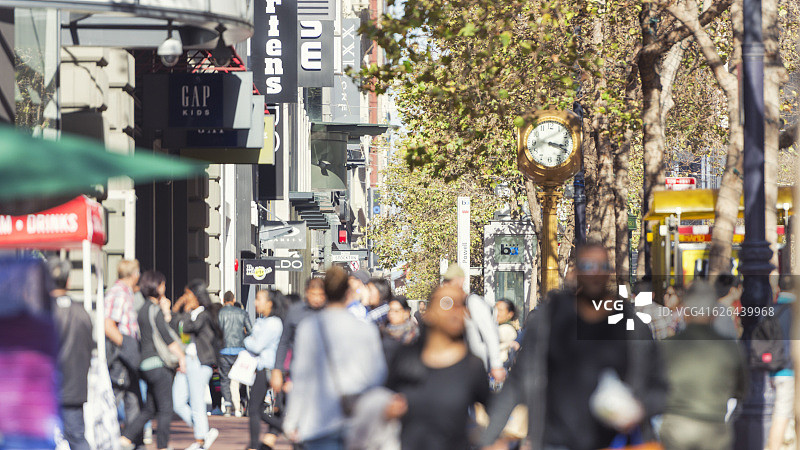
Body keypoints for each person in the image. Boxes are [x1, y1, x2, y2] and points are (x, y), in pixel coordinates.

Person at [481, 243, 667, 450]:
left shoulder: (629, 324)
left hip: (613, 443)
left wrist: (639, 409)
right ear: (577, 272)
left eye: (601, 266)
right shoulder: (550, 319)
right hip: (555, 441)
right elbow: (518, 381)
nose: (595, 274)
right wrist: (490, 439)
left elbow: (659, 385)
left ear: (609, 273)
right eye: (588, 267)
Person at [283, 266, 387, 450]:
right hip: (356, 421)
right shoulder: (365, 329)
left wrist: (291, 420)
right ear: (347, 293)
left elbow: (301, 376)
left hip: (317, 421)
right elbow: (378, 375)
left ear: (325, 293)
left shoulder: (309, 327)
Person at [384, 285, 490, 450]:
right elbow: (383, 399)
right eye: (447, 303)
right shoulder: (405, 358)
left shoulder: (472, 366)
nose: (456, 312)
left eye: (461, 305)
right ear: (429, 314)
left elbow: (494, 409)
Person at [659, 281, 748, 450]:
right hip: (714, 427)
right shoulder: (730, 348)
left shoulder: (666, 346)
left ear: (685, 311)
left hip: (676, 426)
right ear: (714, 313)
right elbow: (741, 389)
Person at [120, 271, 187, 450]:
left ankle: (125, 438)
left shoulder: (141, 309)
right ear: (156, 287)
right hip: (158, 364)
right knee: (166, 409)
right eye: (163, 285)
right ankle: (163, 446)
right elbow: (167, 336)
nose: (164, 288)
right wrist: (181, 357)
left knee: (150, 408)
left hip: (145, 364)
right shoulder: (154, 310)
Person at [47, 257, 94, 450]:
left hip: (46, 389)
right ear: (68, 281)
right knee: (77, 438)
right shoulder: (82, 312)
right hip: (74, 390)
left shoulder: (41, 311)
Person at [172, 280, 222, 450]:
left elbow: (187, 327)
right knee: (177, 401)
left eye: (188, 294)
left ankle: (200, 440)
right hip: (188, 361)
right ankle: (204, 432)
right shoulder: (192, 313)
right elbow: (177, 327)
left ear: (197, 295)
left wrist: (183, 311)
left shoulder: (204, 314)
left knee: (197, 402)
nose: (185, 298)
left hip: (200, 363)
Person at [442, 264, 505, 383]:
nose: (447, 284)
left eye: (450, 281)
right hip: (464, 369)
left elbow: (490, 333)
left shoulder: (473, 302)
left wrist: (496, 365)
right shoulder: (454, 304)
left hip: (481, 368)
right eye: (445, 281)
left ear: (461, 281)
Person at [104, 259, 142, 439]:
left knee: (133, 397)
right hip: (122, 352)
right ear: (134, 274)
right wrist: (126, 346)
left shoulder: (126, 292)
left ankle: (133, 439)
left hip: (127, 349)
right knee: (116, 395)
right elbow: (109, 325)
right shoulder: (119, 293)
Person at [245, 290, 287, 450]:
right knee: (256, 408)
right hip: (264, 367)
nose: (256, 303)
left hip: (269, 368)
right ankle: (255, 443)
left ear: (270, 303)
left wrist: (247, 339)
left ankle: (256, 444)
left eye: (259, 299)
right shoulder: (265, 321)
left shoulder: (273, 323)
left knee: (255, 408)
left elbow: (256, 345)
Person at [270, 277, 326, 393]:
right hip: (299, 372)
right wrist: (277, 370)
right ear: (306, 292)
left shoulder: (330, 313)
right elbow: (284, 341)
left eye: (320, 294)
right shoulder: (295, 312)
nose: (317, 298)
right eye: (313, 294)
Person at [766, 276, 795, 450]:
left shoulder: (771, 309)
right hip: (789, 369)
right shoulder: (795, 310)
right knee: (782, 413)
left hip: (771, 368)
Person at [218, 290, 252, 417]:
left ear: (223, 301)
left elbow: (216, 332)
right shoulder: (242, 313)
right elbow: (250, 331)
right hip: (239, 350)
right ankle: (241, 405)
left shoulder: (219, 313)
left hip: (223, 350)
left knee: (225, 379)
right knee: (240, 378)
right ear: (233, 300)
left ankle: (227, 405)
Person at [381, 296, 420, 363]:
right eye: (390, 310)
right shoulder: (383, 332)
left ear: (406, 313)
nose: (391, 314)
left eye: (396, 311)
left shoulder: (414, 334)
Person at [495, 299, 518, 365]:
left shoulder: (506, 328)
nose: (497, 313)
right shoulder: (499, 326)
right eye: (496, 309)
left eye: (500, 310)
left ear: (510, 314)